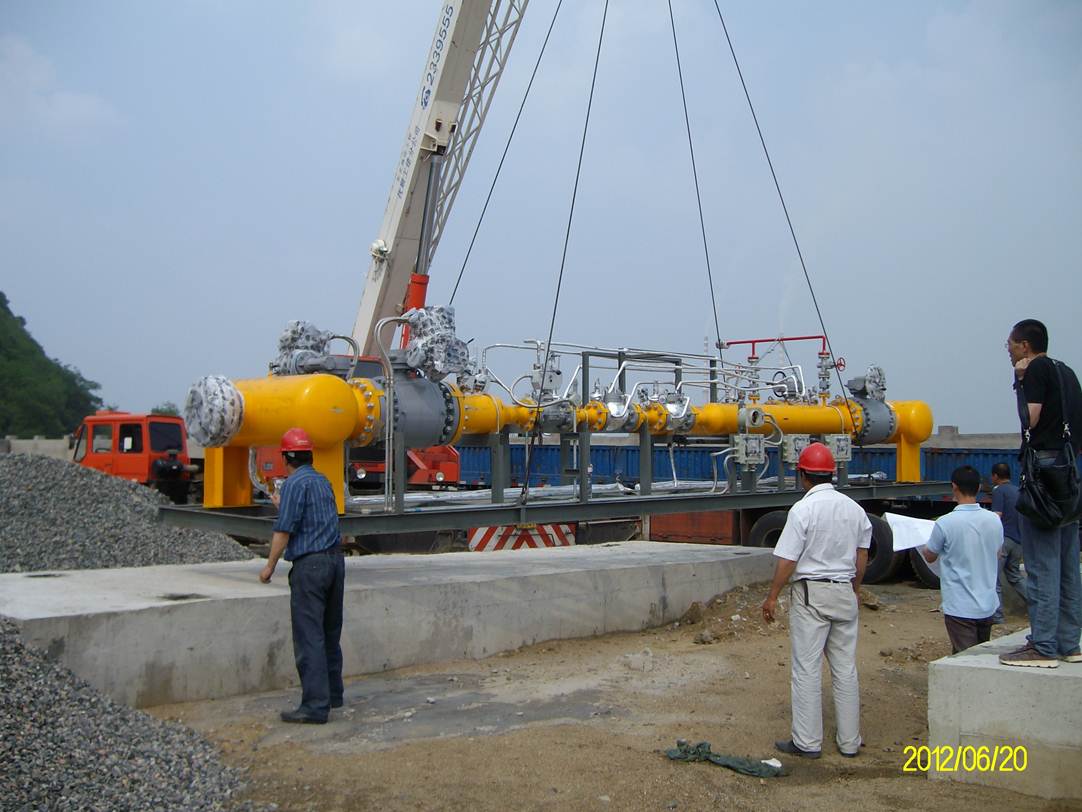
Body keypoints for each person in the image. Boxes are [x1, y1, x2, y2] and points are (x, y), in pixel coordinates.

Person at [761, 442, 871, 759]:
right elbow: (861, 555)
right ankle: (849, 742)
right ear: (831, 473)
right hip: (844, 591)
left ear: (803, 475)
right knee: (845, 669)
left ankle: (807, 742)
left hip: (812, 594)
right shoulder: (854, 510)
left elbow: (788, 560)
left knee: (807, 669)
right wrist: (855, 589)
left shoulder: (803, 510)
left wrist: (772, 596)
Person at [1000, 319, 1082, 667]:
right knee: (1068, 564)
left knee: (1041, 564)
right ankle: (1069, 643)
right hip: (1069, 474)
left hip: (1043, 476)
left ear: (1024, 346)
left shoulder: (1034, 371)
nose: (1008, 350)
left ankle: (1043, 645)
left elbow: (1029, 419)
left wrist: (1020, 382)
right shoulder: (1067, 373)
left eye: (1009, 344)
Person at [259, 427, 346, 722]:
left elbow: (284, 530)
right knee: (329, 633)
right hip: (335, 562)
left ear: (286, 458)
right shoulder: (322, 481)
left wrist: (269, 566)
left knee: (309, 636)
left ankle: (315, 706)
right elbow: (317, 517)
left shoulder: (293, 484)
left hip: (311, 567)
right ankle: (333, 695)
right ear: (310, 455)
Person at [921, 466, 1002, 653]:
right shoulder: (993, 520)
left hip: (959, 606)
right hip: (987, 604)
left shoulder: (945, 522)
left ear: (954, 487)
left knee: (965, 658)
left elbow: (930, 556)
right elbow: (997, 553)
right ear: (979, 487)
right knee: (980, 655)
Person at [990, 462, 1027, 613]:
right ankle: (1037, 606)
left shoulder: (999, 491)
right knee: (1014, 576)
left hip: (1004, 540)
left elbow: (997, 516)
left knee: (994, 578)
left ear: (995, 476)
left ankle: (997, 615)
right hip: (1019, 541)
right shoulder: (1018, 491)